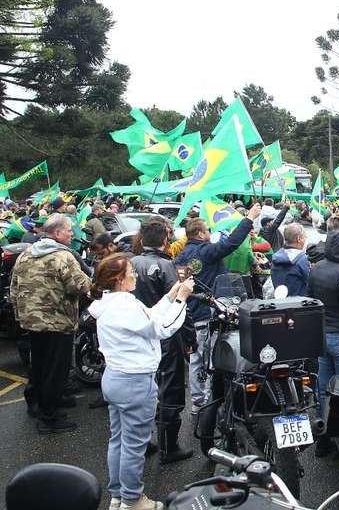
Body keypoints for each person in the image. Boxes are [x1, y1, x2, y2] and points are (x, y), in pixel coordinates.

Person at [89, 253, 193, 510]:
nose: (135, 274)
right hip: (135, 381)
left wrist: (170, 296)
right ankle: (133, 500)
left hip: (114, 378)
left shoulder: (112, 303)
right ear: (118, 279)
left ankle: (119, 496)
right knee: (134, 445)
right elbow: (162, 328)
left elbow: (148, 318)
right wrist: (182, 299)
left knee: (119, 440)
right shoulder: (125, 305)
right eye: (130, 272)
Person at [174, 204, 260, 414]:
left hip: (189, 313)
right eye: (208, 230)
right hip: (207, 314)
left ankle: (198, 401)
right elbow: (231, 243)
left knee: (196, 358)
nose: (210, 234)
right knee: (213, 357)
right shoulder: (205, 251)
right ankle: (212, 400)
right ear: (200, 233)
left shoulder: (182, 256)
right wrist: (249, 218)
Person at [10, 214, 92, 433]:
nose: (72, 234)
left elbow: (14, 287)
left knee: (39, 365)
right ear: (56, 233)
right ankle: (49, 417)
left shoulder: (26, 253)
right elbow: (80, 286)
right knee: (56, 369)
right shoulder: (62, 257)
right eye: (68, 231)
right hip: (57, 322)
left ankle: (36, 403)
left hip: (31, 321)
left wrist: (20, 316)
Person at [130, 221, 193, 465]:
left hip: (138, 337)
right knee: (170, 390)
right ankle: (169, 447)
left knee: (145, 391)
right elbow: (179, 303)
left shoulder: (131, 263)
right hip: (164, 336)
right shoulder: (165, 265)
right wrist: (189, 338)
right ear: (165, 240)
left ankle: (143, 442)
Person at [307, 228, 339, 457]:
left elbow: (310, 300)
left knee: (323, 388)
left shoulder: (317, 269)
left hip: (321, 336)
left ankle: (323, 438)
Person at [270, 223, 310, 296]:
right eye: (304, 237)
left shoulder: (276, 258)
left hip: (280, 303)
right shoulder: (302, 259)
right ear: (299, 239)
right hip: (299, 303)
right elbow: (310, 282)